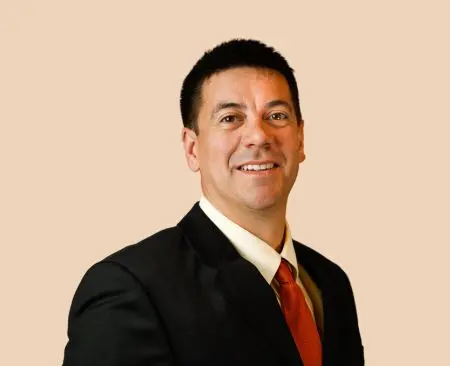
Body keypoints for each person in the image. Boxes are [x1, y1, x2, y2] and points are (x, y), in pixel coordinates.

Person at [62, 38, 364, 366]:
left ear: (301, 139)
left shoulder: (330, 282)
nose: (260, 136)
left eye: (276, 115)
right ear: (193, 149)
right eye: (231, 118)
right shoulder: (131, 289)